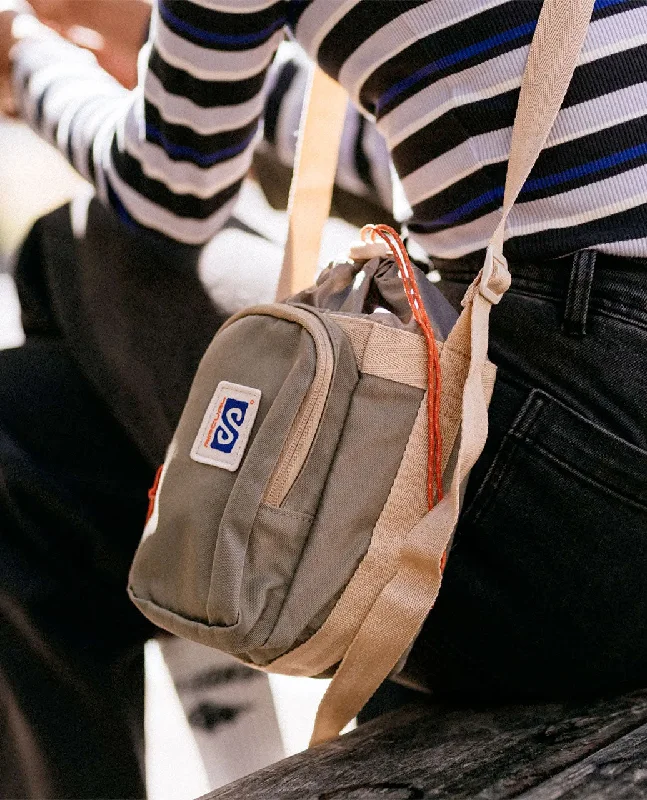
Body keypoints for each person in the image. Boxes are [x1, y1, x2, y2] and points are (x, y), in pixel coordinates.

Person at [0, 0, 646, 795]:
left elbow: (162, 197)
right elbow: (437, 149)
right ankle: (197, 574)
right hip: (598, 457)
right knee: (28, 427)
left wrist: (29, 60)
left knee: (76, 242)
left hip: (591, 524)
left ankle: (204, 593)